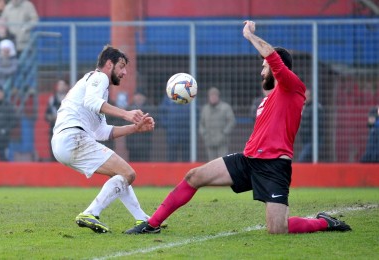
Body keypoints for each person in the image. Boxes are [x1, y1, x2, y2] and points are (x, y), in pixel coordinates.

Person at [125, 21, 351, 235]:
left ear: (277, 68)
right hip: (248, 160)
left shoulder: (293, 86)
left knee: (277, 228)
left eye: (264, 67)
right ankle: (152, 224)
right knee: (194, 176)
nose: (261, 71)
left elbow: (272, 57)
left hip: (274, 166)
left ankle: (324, 222)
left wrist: (250, 35)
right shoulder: (268, 99)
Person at [51, 45, 154, 233]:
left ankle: (142, 219)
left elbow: (100, 132)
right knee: (129, 174)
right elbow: (91, 103)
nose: (124, 72)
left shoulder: (96, 88)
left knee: (121, 173)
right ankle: (91, 213)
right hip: (73, 137)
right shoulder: (98, 77)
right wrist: (126, 114)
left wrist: (135, 127)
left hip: (64, 142)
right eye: (121, 66)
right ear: (109, 64)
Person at [199, 87, 236, 161]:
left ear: (218, 96)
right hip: (209, 140)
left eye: (215, 95)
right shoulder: (205, 109)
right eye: (211, 96)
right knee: (211, 162)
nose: (213, 97)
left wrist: (224, 133)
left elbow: (231, 121)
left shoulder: (225, 107)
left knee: (223, 162)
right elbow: (201, 124)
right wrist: (205, 135)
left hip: (222, 141)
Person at [159, 95, 190, 162]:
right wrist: (166, 125)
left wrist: (191, 127)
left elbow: (196, 112)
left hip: (186, 132)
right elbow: (162, 111)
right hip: (172, 132)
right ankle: (171, 172)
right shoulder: (169, 96)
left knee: (186, 157)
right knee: (171, 156)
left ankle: (186, 172)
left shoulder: (188, 95)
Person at [297, 89, 325, 162]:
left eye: (307, 96)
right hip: (306, 141)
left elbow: (318, 125)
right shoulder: (305, 107)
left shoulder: (315, 107)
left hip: (313, 141)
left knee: (301, 161)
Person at [45, 79, 69, 161]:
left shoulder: (70, 99)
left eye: (62, 85)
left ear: (66, 86)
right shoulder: (52, 99)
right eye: (59, 85)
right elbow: (46, 116)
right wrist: (53, 118)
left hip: (67, 130)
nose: (60, 87)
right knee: (54, 153)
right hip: (54, 129)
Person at [126, 90, 153, 161]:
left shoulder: (149, 108)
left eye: (140, 96)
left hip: (145, 143)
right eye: (136, 95)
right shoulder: (129, 108)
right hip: (132, 143)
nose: (138, 98)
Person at [0, 85, 18, 161]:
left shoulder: (8, 106)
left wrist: (5, 130)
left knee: (4, 159)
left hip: (4, 140)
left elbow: (14, 120)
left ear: (3, 94)